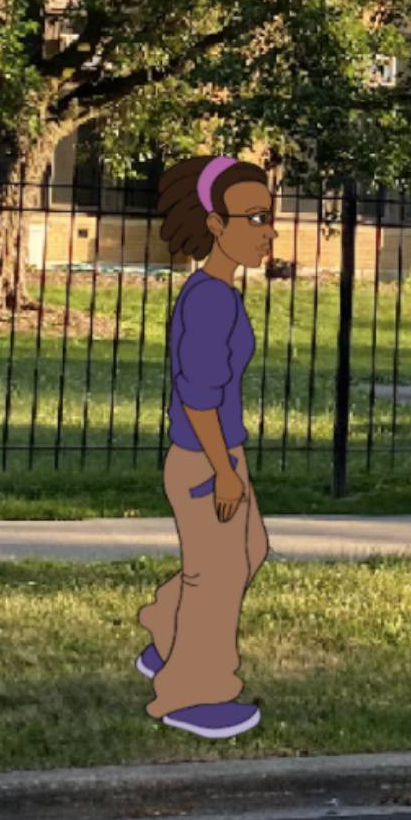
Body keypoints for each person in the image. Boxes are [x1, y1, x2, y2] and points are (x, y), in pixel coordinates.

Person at [135, 153, 277, 739]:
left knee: (248, 552)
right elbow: (197, 396)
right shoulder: (210, 299)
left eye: (270, 217)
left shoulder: (218, 292)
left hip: (219, 453)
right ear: (216, 225)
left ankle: (164, 629)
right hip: (203, 458)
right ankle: (192, 694)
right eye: (254, 218)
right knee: (214, 577)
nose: (268, 232)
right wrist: (223, 470)